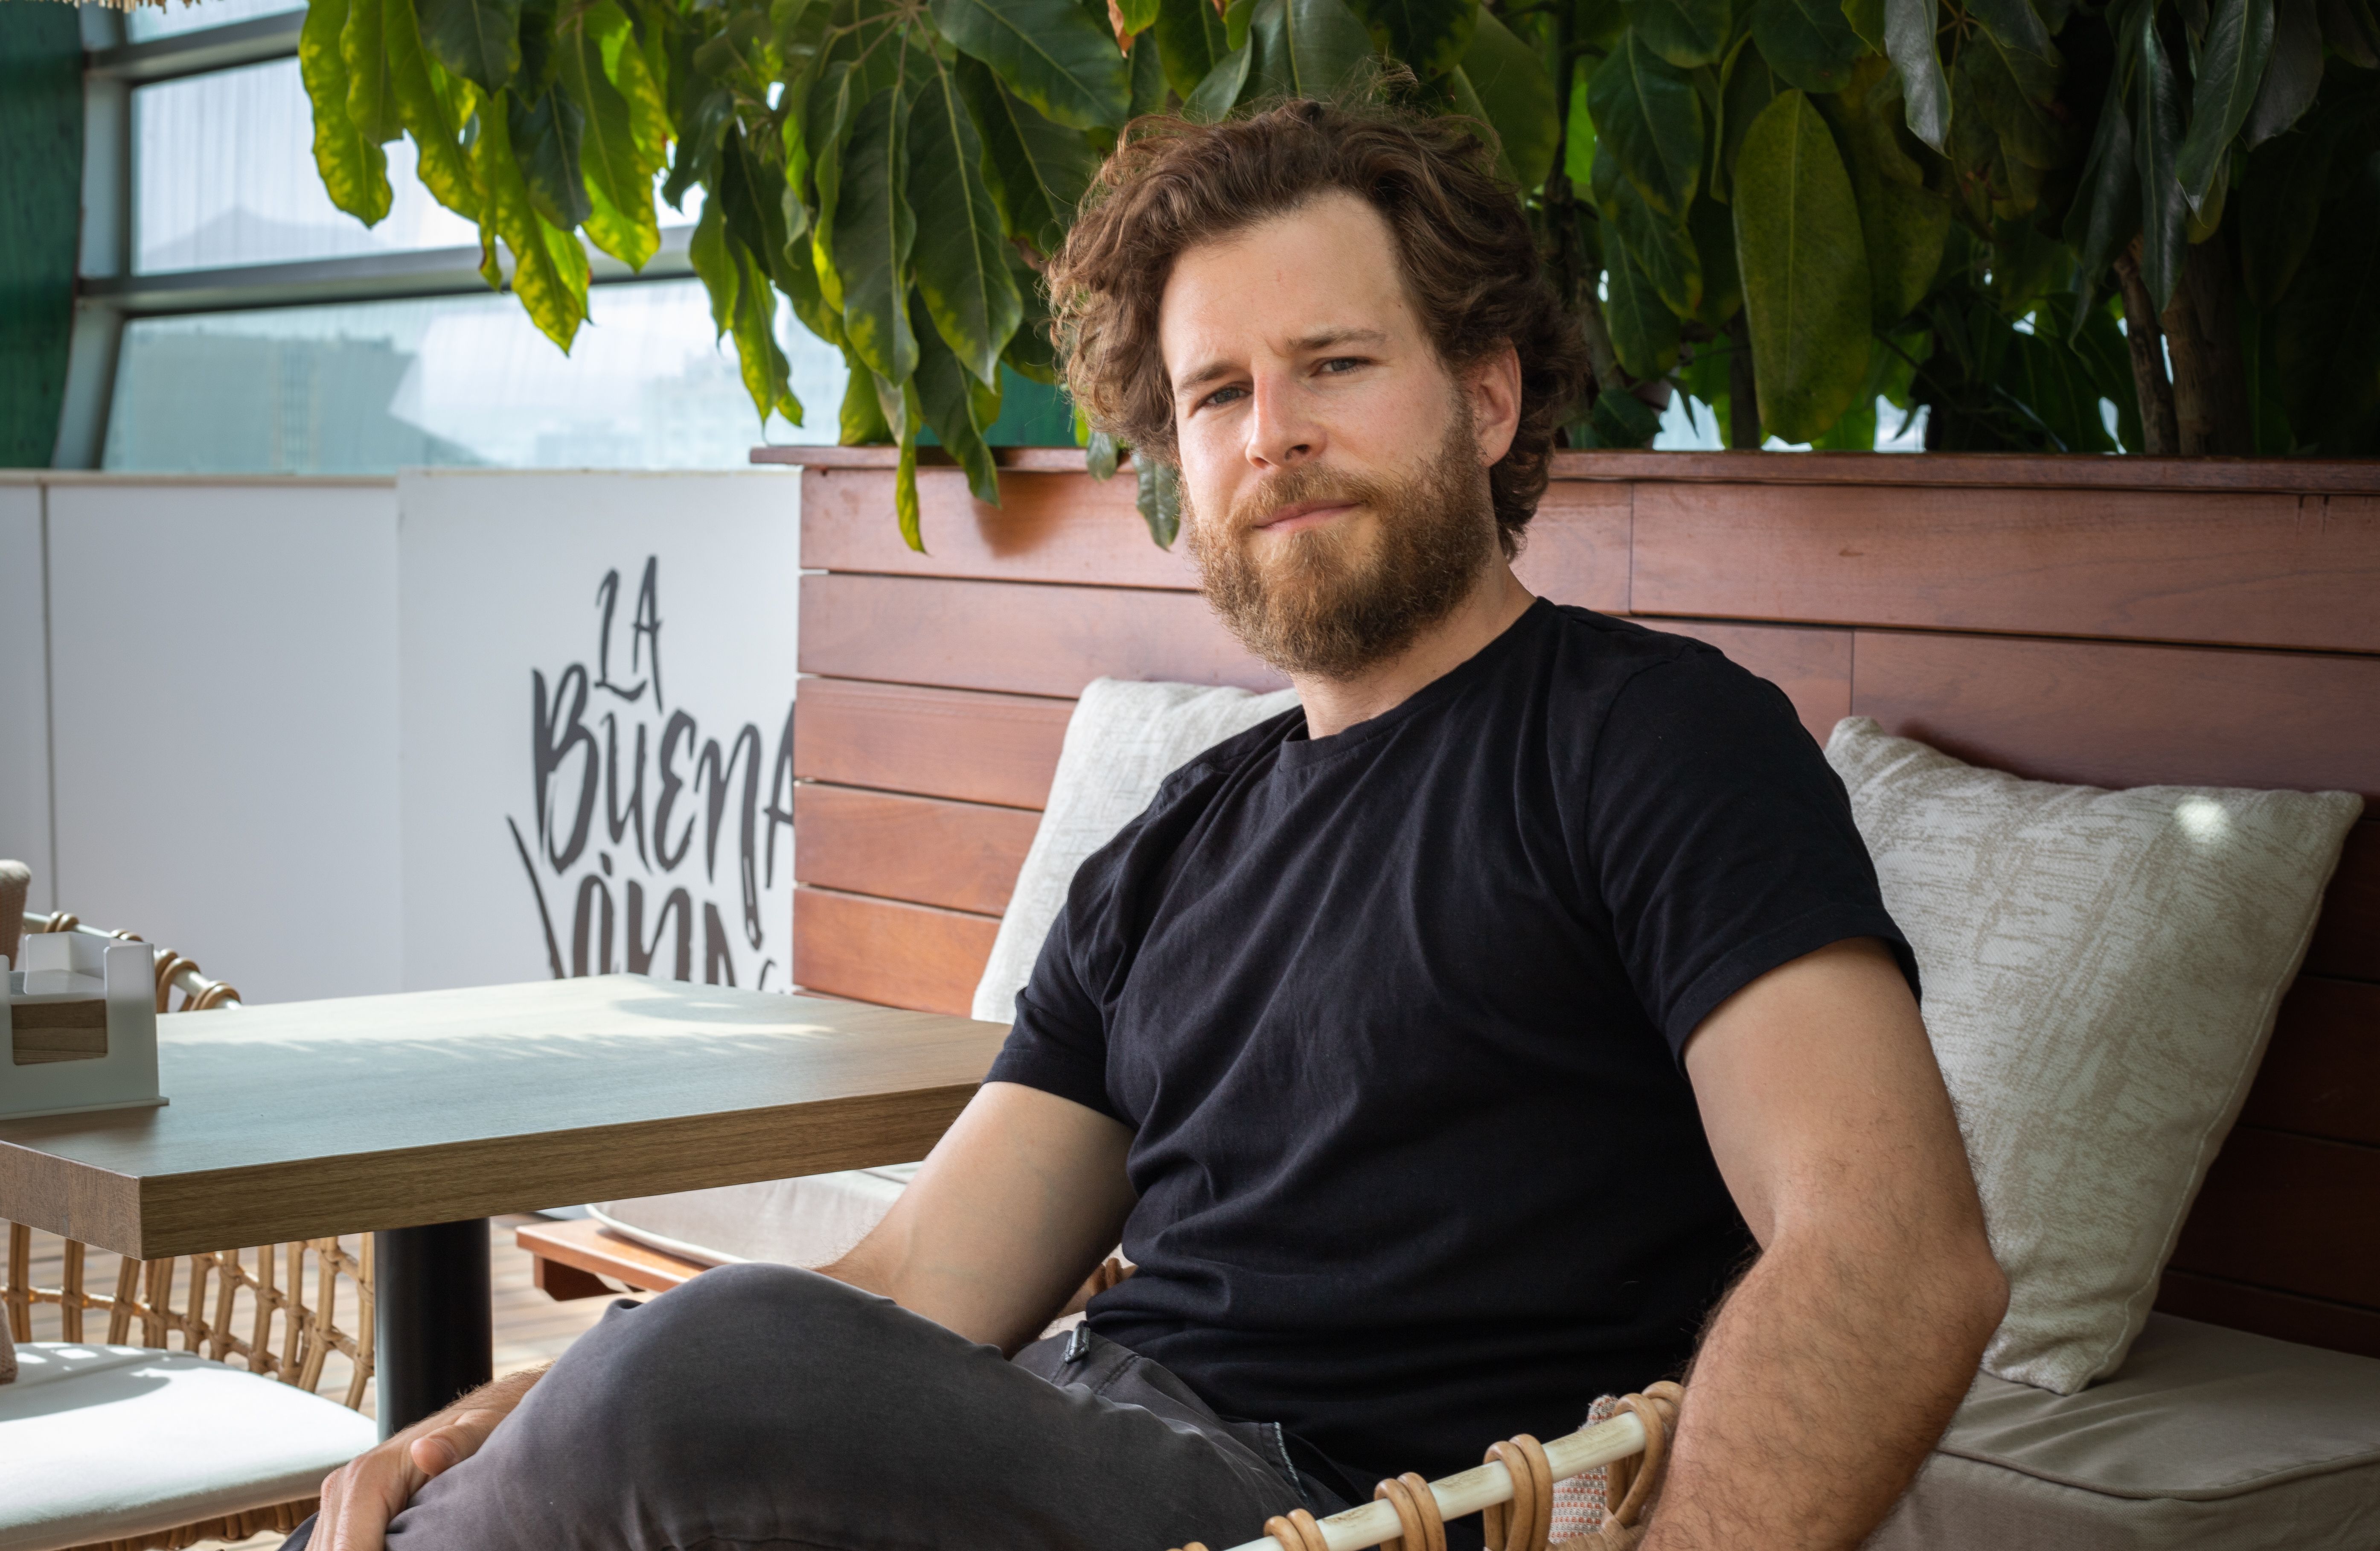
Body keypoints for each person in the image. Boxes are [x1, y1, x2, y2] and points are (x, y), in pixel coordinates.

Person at [294, 99, 2005, 1551]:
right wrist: (541, 1413)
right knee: (609, 1403)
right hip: (1073, 1441)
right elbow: (919, 1279)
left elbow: (1894, 1254)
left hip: (1314, 1509)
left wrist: (641, 1395)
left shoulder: (1654, 742)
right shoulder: (1176, 843)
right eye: (1216, 396)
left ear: (1487, 401)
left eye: (1335, 364)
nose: (1276, 438)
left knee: (693, 1374)